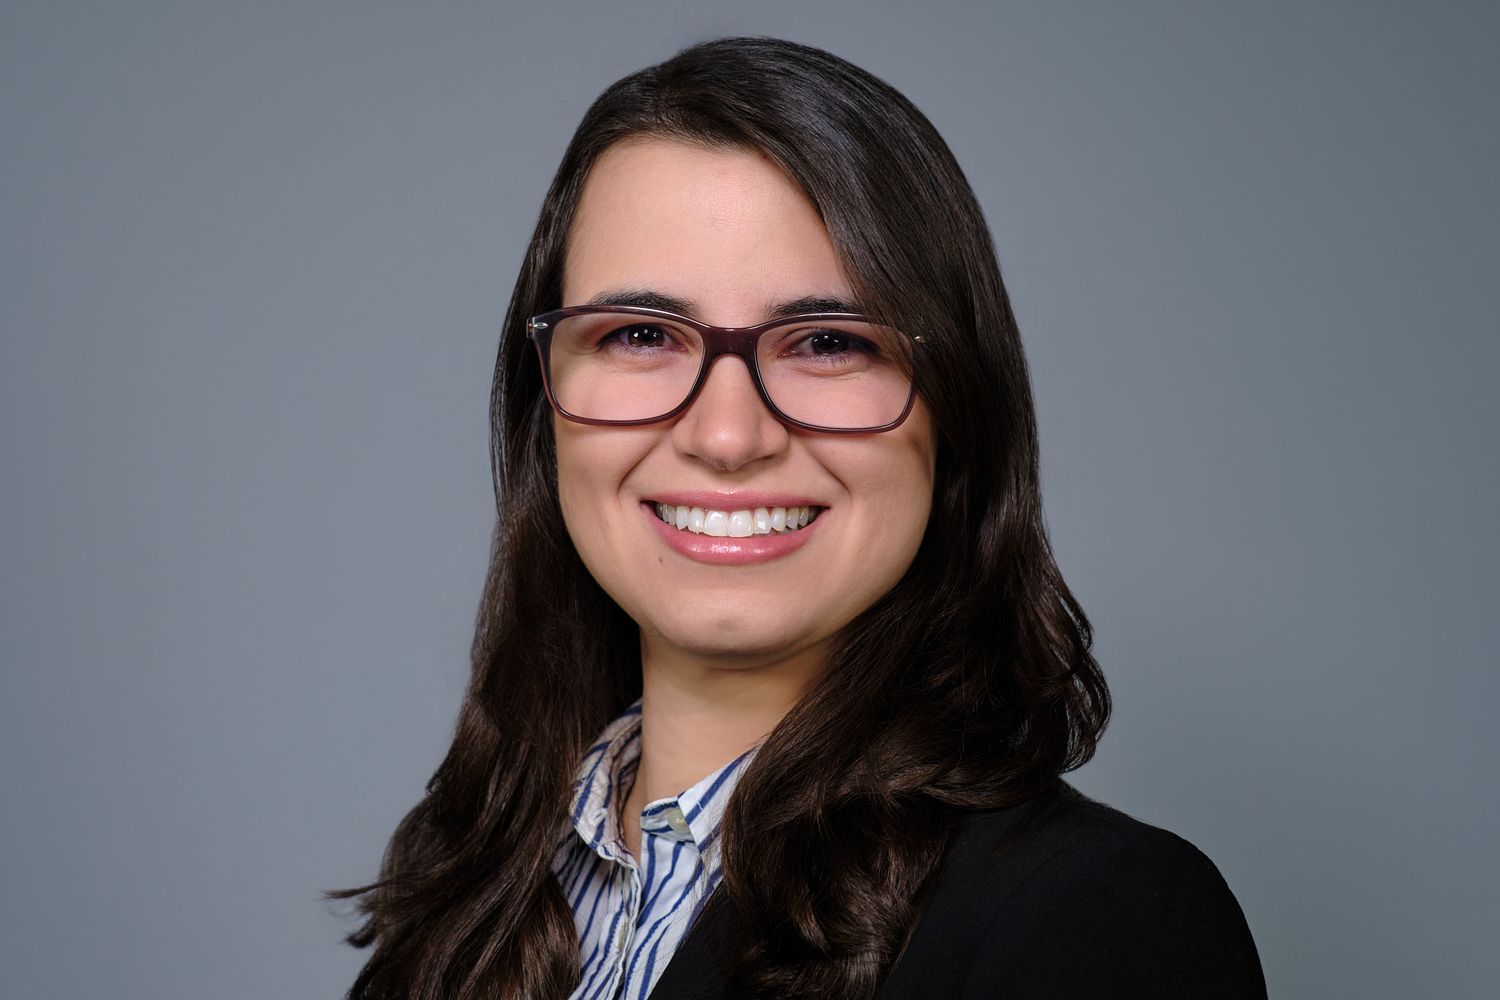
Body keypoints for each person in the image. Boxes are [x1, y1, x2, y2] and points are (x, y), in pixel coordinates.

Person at [341, 37, 1266, 1000]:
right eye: (642, 335)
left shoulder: (1099, 919)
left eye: (826, 342)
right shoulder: (455, 911)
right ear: (545, 406)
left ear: (957, 408)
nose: (727, 435)